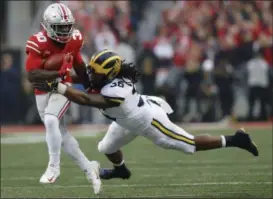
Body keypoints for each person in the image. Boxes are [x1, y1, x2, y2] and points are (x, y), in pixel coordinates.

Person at [33, 49, 259, 181]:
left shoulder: (116, 89)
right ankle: (122, 171)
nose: (91, 74)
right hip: (126, 119)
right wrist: (54, 76)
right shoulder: (103, 77)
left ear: (110, 74)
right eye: (91, 69)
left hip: (147, 120)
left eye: (95, 72)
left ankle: (237, 139)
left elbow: (86, 99)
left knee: (188, 145)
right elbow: (81, 79)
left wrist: (59, 86)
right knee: (106, 148)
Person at [25, 3, 101, 194]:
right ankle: (89, 167)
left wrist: (89, 85)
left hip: (62, 86)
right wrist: (56, 72)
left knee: (51, 120)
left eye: (68, 26)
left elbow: (79, 65)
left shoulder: (74, 39)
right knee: (62, 133)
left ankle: (53, 167)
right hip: (42, 89)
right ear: (49, 25)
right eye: (60, 27)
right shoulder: (38, 41)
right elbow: (32, 75)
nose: (65, 31)